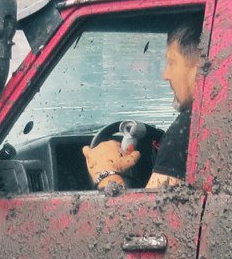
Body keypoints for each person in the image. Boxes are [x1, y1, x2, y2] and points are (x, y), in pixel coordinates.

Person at [79, 19, 202, 193]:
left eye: (172, 63)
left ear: (199, 68)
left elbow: (151, 218)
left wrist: (106, 174)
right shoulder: (217, 119)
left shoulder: (190, 129)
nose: (165, 74)